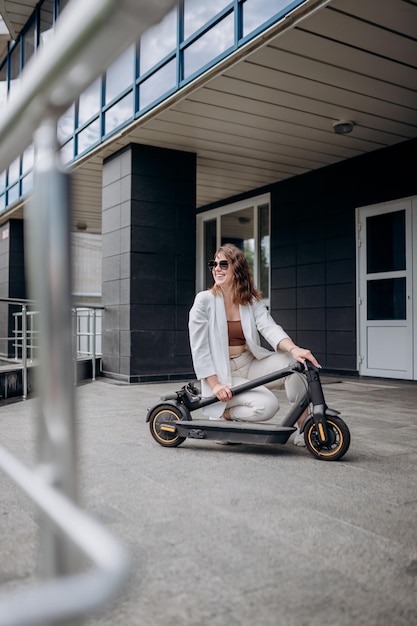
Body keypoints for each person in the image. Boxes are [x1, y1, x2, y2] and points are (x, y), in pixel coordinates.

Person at [188, 243, 320, 446]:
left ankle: (305, 426)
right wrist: (215, 385)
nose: (217, 268)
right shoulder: (203, 301)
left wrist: (294, 349)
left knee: (295, 364)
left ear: (237, 269)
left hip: (249, 363)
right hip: (223, 373)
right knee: (268, 406)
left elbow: (270, 328)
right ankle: (225, 416)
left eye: (223, 264)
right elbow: (199, 348)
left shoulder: (249, 301)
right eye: (213, 264)